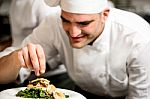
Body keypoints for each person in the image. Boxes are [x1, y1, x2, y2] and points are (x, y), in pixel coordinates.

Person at [0, 0, 150, 98]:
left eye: (84, 23)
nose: (73, 33)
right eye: (66, 20)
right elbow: (2, 74)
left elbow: (141, 95)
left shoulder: (138, 38)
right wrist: (17, 57)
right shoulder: (53, 24)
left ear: (104, 15)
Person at [0, 0, 74, 90]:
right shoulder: (15, 3)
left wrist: (31, 66)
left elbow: (55, 44)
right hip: (23, 70)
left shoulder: (43, 5)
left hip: (55, 76)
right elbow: (19, 39)